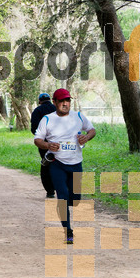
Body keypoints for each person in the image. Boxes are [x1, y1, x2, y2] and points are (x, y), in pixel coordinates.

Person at [33, 89, 95, 244]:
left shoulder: (78, 116)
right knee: (62, 197)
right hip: (57, 164)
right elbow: (37, 139)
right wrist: (48, 145)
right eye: (61, 101)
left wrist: (86, 137)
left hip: (76, 163)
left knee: (75, 200)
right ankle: (68, 230)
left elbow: (92, 130)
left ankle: (66, 207)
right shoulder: (47, 119)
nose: (65, 103)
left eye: (67, 100)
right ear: (54, 102)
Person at [30, 92, 56, 198]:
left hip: (44, 143)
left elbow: (34, 129)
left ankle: (50, 191)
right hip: (58, 141)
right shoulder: (56, 109)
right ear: (50, 99)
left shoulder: (37, 111)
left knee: (46, 164)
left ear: (40, 101)